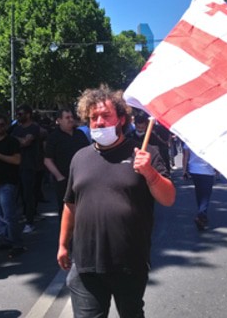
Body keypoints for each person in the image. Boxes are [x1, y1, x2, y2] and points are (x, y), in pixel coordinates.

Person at [57, 86, 175, 318]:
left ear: (121, 118)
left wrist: (149, 172)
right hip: (85, 265)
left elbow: (168, 198)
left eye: (106, 115)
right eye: (93, 117)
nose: (99, 122)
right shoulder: (80, 158)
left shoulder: (144, 153)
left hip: (129, 262)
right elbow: (70, 204)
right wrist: (62, 244)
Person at [0, 115, 26, 258]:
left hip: (8, 183)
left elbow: (17, 160)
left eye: (1, 125)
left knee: (9, 215)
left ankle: (17, 243)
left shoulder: (12, 141)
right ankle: (7, 239)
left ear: (6, 126)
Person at [43, 109, 89, 216]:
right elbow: (47, 160)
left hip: (81, 178)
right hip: (64, 180)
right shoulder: (53, 137)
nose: (71, 120)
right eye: (67, 118)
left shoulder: (80, 134)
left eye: (71, 117)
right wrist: (59, 177)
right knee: (66, 210)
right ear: (59, 120)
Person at [11, 104, 45, 234]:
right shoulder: (16, 128)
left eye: (20, 114)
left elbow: (26, 142)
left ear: (28, 115)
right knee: (19, 194)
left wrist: (15, 139)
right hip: (17, 165)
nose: (18, 117)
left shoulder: (34, 128)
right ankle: (26, 216)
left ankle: (30, 221)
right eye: (17, 114)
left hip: (30, 165)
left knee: (28, 194)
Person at [182, 142, 215, 230]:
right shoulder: (212, 140)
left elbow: (185, 156)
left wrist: (184, 170)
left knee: (199, 192)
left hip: (194, 169)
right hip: (207, 170)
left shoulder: (188, 139)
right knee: (206, 194)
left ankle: (202, 213)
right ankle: (201, 214)